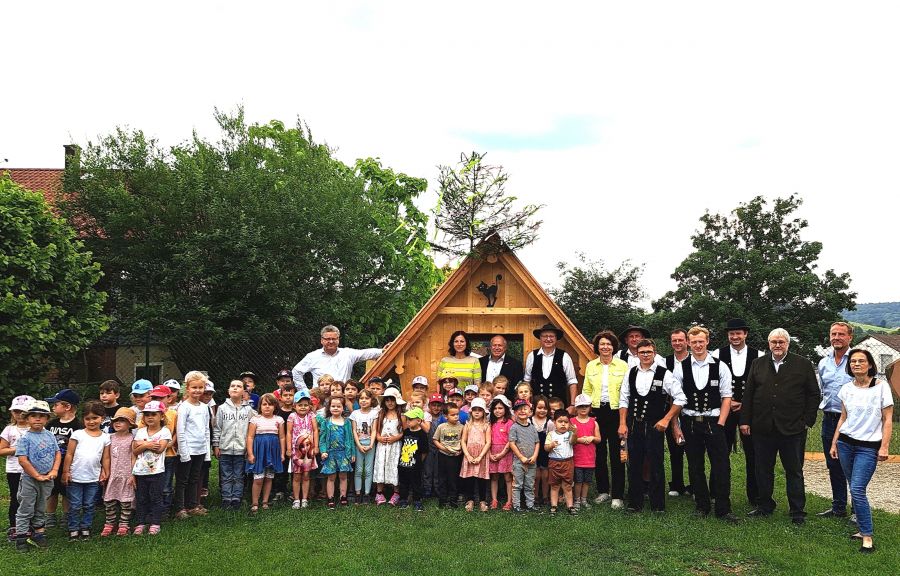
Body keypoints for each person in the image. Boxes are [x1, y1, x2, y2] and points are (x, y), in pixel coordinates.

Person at [740, 328, 819, 524]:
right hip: (762, 427)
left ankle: (797, 511)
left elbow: (813, 394)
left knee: (794, 470)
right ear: (769, 344)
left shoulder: (803, 364)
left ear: (788, 344)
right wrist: (745, 421)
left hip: (792, 429)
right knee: (763, 469)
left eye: (781, 342)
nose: (777, 345)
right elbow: (748, 394)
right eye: (774, 342)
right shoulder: (758, 364)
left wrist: (806, 421)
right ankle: (764, 505)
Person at [829, 348, 894, 553]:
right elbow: (843, 418)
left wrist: (884, 446)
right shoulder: (846, 388)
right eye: (853, 361)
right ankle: (861, 528)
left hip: (868, 447)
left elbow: (888, 419)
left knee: (857, 489)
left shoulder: (881, 387)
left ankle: (867, 536)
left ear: (870, 365)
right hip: (845, 444)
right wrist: (834, 443)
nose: (856, 364)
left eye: (861, 361)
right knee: (853, 485)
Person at [671, 326, 738, 522]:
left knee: (722, 465)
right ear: (689, 344)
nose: (698, 345)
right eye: (694, 342)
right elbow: (675, 399)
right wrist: (675, 427)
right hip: (690, 422)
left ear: (707, 341)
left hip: (714, 421)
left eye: (701, 341)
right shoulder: (680, 367)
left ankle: (723, 508)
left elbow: (727, 397)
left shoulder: (720, 366)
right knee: (695, 465)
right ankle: (702, 505)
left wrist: (721, 423)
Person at [618, 339, 686, 513]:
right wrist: (622, 423)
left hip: (655, 425)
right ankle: (635, 503)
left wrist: (666, 419)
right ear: (637, 354)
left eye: (649, 352)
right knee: (634, 463)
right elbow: (624, 399)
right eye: (642, 352)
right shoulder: (631, 373)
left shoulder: (664, 373)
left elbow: (680, 398)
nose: (646, 355)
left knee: (656, 464)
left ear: (654, 353)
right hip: (634, 425)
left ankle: (658, 505)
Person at [713, 318, 762, 506]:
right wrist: (727, 401)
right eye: (732, 333)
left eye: (738, 333)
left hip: (749, 411)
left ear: (745, 334)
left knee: (753, 453)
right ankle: (717, 493)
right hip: (725, 408)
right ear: (728, 335)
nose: (735, 336)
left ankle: (755, 496)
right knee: (720, 451)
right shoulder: (718, 354)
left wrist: (745, 404)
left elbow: (760, 384)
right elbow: (714, 381)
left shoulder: (758, 355)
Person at [582, 330, 629, 508]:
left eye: (608, 344)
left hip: (617, 412)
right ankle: (603, 491)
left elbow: (626, 391)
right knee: (599, 454)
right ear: (597, 347)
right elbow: (586, 391)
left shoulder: (623, 366)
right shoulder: (591, 366)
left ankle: (617, 495)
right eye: (602, 344)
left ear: (614, 347)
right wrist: (585, 413)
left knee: (618, 454)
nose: (605, 347)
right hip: (596, 412)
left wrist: (624, 420)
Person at [816, 321, 855, 518]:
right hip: (830, 419)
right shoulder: (824, 363)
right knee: (833, 464)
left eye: (841, 334)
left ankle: (857, 511)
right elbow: (821, 390)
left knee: (853, 466)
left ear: (850, 337)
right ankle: (838, 507)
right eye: (833, 334)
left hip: (852, 421)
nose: (836, 338)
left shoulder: (857, 361)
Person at [14, 400, 60, 552]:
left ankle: (39, 534)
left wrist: (54, 470)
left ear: (47, 418)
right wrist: (36, 475)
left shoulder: (50, 436)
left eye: (42, 416)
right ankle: (21, 537)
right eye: (33, 416)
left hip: (47, 479)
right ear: (27, 419)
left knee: (41, 507)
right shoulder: (25, 438)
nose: (38, 419)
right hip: (29, 480)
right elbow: (23, 460)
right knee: (26, 508)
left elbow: (57, 453)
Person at [61, 400, 110, 541]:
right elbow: (69, 454)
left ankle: (85, 527)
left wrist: (105, 471)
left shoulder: (105, 438)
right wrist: (66, 472)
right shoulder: (78, 434)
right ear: (83, 419)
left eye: (95, 418)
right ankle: (73, 529)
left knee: (89, 504)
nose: (91, 421)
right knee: (75, 505)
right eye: (87, 418)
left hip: (93, 478)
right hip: (75, 477)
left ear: (102, 418)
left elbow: (105, 457)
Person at [292, 325, 388, 391]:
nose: (331, 341)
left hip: (343, 400)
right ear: (321, 340)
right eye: (327, 339)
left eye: (334, 338)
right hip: (320, 401)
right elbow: (296, 371)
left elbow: (365, 353)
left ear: (338, 339)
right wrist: (304, 391)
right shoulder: (312, 356)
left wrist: (382, 351)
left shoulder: (347, 353)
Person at [213, 380, 256, 511]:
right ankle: (226, 498)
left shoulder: (248, 410)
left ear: (244, 392)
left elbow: (253, 426)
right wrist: (216, 445)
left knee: (238, 475)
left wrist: (249, 449)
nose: (235, 388)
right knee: (226, 475)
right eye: (233, 386)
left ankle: (236, 498)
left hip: (241, 449)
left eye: (239, 386)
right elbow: (217, 427)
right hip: (225, 448)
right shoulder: (222, 408)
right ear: (228, 391)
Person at [174, 371, 211, 520]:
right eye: (194, 387)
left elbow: (207, 430)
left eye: (200, 387)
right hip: (187, 450)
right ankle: (179, 508)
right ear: (187, 388)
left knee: (194, 479)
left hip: (200, 449)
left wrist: (207, 452)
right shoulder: (184, 407)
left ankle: (192, 505)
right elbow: (180, 430)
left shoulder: (204, 407)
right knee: (183, 480)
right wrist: (184, 452)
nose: (197, 390)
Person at [131, 400, 170, 535]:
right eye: (147, 415)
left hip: (157, 472)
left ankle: (155, 523)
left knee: (156, 497)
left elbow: (160, 449)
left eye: (154, 414)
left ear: (162, 416)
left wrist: (143, 444)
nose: (150, 417)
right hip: (140, 471)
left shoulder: (165, 432)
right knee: (141, 498)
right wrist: (147, 445)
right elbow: (135, 451)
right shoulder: (141, 431)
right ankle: (140, 522)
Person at [45, 388, 82, 528]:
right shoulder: (51, 424)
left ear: (67, 407)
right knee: (51, 491)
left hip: (69, 465)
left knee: (66, 492)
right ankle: (50, 516)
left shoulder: (78, 426)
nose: (53, 407)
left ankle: (67, 516)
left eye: (56, 404)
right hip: (52, 464)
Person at [1, 395, 34, 542]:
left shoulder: (36, 429)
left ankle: (31, 525)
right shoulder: (9, 429)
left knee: (32, 497)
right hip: (14, 469)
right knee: (16, 497)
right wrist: (17, 449)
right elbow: (2, 450)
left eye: (23, 411)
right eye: (16, 411)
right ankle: (15, 526)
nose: (19, 414)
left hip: (33, 469)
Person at [246, 393, 285, 514]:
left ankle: (265, 501)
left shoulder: (279, 420)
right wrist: (250, 453)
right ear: (260, 406)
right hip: (259, 452)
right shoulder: (255, 419)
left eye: (270, 404)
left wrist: (282, 453)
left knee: (269, 478)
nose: (267, 407)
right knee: (258, 478)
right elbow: (250, 437)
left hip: (273, 452)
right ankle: (255, 503)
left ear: (275, 406)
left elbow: (282, 438)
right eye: (264, 404)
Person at [524, 323, 578, 408]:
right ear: (540, 338)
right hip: (537, 407)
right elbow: (527, 381)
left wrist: (572, 405)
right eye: (545, 336)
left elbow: (572, 382)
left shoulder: (564, 356)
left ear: (556, 338)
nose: (548, 339)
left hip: (558, 408)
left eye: (551, 336)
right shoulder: (532, 356)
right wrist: (527, 403)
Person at [664, 328, 690, 496]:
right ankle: (677, 484)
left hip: (691, 410)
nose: (678, 343)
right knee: (674, 447)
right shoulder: (665, 362)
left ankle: (694, 484)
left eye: (681, 340)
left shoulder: (695, 359)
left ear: (687, 341)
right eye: (674, 340)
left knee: (693, 449)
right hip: (671, 409)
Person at [102, 407, 136, 537]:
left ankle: (124, 524)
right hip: (112, 474)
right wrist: (104, 471)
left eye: (122, 420)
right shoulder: (109, 438)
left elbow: (134, 457)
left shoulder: (132, 439)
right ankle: (109, 523)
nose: (117, 423)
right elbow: (105, 457)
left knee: (125, 502)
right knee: (109, 500)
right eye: (116, 420)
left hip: (126, 474)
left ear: (130, 424)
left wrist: (133, 474)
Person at [318, 396, 356, 509]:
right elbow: (322, 439)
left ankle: (343, 497)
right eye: (333, 406)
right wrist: (323, 451)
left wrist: (352, 453)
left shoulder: (347, 422)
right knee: (331, 477)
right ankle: (330, 498)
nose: (335, 408)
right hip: (330, 454)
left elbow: (350, 438)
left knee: (343, 476)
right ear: (329, 408)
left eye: (338, 406)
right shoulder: (326, 422)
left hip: (344, 453)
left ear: (343, 408)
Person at [372, 388, 405, 505]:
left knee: (394, 466)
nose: (390, 403)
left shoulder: (401, 415)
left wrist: (396, 438)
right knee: (381, 465)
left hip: (395, 446)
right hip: (382, 446)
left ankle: (396, 493)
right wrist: (379, 437)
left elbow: (403, 432)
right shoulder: (381, 413)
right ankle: (379, 493)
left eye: (392, 400)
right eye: (387, 400)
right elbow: (375, 429)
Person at [288, 390, 319, 509]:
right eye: (300, 405)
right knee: (296, 475)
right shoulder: (292, 416)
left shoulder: (311, 415)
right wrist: (288, 449)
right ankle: (296, 499)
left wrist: (316, 446)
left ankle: (305, 498)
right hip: (296, 450)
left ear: (309, 406)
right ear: (294, 406)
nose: (303, 407)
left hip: (309, 450)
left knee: (306, 474)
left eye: (306, 405)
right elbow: (289, 432)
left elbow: (315, 430)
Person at [460, 398, 491, 512]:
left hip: (481, 455)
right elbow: (463, 441)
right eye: (475, 410)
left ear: (484, 412)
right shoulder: (467, 425)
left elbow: (488, 442)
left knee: (481, 478)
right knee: (470, 478)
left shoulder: (486, 425)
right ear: (471, 411)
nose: (477, 412)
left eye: (480, 410)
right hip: (469, 454)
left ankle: (482, 501)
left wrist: (480, 456)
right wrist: (467, 455)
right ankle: (470, 500)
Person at [508, 399, 540, 512]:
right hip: (518, 462)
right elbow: (512, 443)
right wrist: (521, 457)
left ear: (530, 412)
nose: (522, 411)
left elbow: (537, 443)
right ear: (515, 413)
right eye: (519, 409)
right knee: (517, 484)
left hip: (531, 461)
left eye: (525, 408)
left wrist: (535, 456)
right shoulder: (514, 427)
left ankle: (530, 505)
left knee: (530, 485)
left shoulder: (532, 428)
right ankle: (516, 506)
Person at [545, 409, 577, 516]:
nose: (563, 424)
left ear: (569, 423)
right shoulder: (551, 434)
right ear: (554, 422)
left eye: (566, 422)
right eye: (560, 421)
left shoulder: (570, 434)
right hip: (554, 462)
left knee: (567, 486)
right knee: (554, 486)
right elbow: (546, 448)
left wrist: (575, 433)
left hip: (568, 463)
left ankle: (570, 506)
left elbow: (573, 442)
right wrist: (551, 445)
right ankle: (554, 506)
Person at [571, 394, 600, 510]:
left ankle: (584, 499)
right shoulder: (572, 422)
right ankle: (577, 500)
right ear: (576, 408)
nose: (583, 408)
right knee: (578, 481)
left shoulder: (594, 422)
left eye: (586, 406)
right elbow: (569, 439)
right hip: (577, 458)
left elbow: (599, 439)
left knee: (587, 481)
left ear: (590, 407)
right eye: (580, 406)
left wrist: (592, 438)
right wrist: (579, 439)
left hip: (589, 458)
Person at [396, 407, 429, 511]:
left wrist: (418, 462)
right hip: (403, 463)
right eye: (407, 418)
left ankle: (417, 500)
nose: (408, 421)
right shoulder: (406, 432)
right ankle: (403, 500)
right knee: (403, 482)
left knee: (416, 483)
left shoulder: (422, 435)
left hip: (415, 465)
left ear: (419, 421)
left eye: (410, 419)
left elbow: (424, 451)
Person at [432, 405, 464, 508]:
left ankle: (453, 501)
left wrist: (461, 451)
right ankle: (442, 501)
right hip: (443, 456)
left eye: (457, 414)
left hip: (456, 456)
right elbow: (435, 440)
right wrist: (442, 448)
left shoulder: (462, 427)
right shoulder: (441, 427)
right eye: (453, 415)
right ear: (446, 416)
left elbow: (464, 441)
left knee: (453, 479)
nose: (456, 417)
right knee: (442, 478)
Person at [350, 390, 378, 504]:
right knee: (358, 469)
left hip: (370, 444)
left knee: (368, 470)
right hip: (359, 444)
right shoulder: (355, 414)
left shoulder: (374, 413)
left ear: (371, 400)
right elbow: (354, 431)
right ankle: (358, 493)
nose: (364, 400)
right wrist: (358, 445)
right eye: (361, 398)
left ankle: (366, 494)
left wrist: (371, 444)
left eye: (366, 398)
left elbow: (374, 430)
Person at [488, 396, 514, 510]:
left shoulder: (509, 422)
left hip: (506, 453)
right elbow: (487, 440)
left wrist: (502, 453)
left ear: (506, 409)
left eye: (500, 408)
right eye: (495, 408)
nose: (498, 411)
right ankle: (494, 500)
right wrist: (489, 453)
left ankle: (509, 501)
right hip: (493, 452)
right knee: (494, 477)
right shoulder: (490, 423)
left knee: (508, 477)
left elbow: (511, 440)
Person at [530, 396, 553, 508]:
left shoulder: (549, 422)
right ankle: (535, 496)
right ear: (534, 407)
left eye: (545, 408)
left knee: (545, 475)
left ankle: (545, 496)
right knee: (536, 476)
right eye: (539, 408)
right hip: (533, 451)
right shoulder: (530, 420)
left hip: (545, 451)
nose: (542, 410)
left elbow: (552, 436)